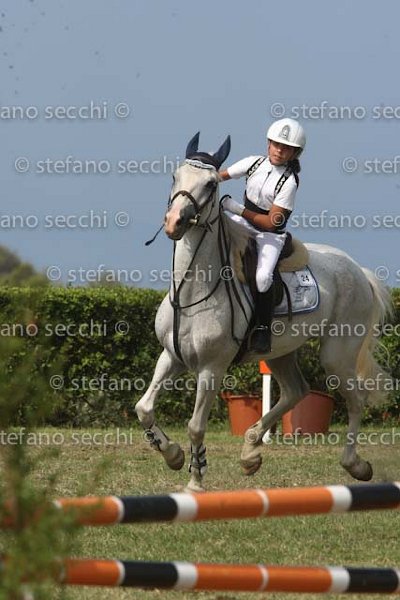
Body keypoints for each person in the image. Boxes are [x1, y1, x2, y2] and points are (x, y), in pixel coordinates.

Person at [219, 117, 306, 353]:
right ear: (268, 143)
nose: (279, 150)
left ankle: (263, 329)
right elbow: (219, 176)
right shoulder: (253, 163)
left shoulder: (289, 182)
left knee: (262, 278)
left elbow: (270, 222)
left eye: (286, 148)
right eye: (276, 144)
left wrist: (236, 209)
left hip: (269, 235)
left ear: (294, 153)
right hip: (241, 223)